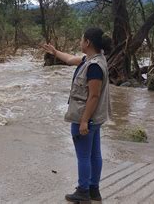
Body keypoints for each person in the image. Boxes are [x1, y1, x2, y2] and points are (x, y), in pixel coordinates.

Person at [41, 28, 111, 202]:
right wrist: (55, 52)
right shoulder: (94, 60)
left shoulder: (94, 67)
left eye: (81, 40)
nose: (80, 43)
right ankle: (94, 190)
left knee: (84, 157)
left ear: (87, 43)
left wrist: (84, 121)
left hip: (86, 117)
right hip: (95, 118)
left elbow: (94, 96)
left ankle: (83, 191)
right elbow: (71, 59)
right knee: (95, 154)